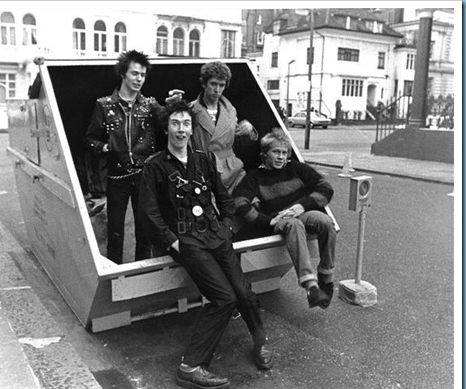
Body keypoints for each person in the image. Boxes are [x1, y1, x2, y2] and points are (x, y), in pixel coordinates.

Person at [139, 100, 273, 389]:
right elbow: (149, 213)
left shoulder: (203, 159)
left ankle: (260, 341)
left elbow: (223, 197)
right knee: (224, 299)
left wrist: (227, 226)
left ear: (191, 128)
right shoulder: (155, 167)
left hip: (216, 235)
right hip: (188, 243)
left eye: (186, 124)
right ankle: (190, 367)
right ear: (166, 128)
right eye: (175, 124)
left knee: (244, 294)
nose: (181, 130)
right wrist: (173, 242)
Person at [85, 50, 181, 264]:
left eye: (143, 75)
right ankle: (115, 275)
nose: (139, 79)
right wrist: (106, 148)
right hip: (117, 177)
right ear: (123, 74)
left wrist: (173, 104)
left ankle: (143, 272)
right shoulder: (104, 105)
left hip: (144, 175)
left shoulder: (149, 105)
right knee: (115, 231)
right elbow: (89, 139)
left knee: (145, 230)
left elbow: (168, 122)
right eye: (135, 74)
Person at [233, 128, 337, 309]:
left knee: (325, 222)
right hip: (280, 220)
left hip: (301, 213)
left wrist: (301, 206)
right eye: (276, 152)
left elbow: (326, 188)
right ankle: (310, 286)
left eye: (284, 152)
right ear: (264, 154)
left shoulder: (297, 169)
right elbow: (240, 203)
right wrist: (267, 220)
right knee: (294, 225)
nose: (281, 157)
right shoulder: (254, 177)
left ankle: (326, 278)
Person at [189, 61, 258, 194]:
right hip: (201, 170)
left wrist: (248, 130)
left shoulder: (231, 110)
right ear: (204, 83)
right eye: (213, 84)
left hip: (231, 170)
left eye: (221, 85)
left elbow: (235, 143)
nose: (217, 90)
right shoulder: (190, 110)